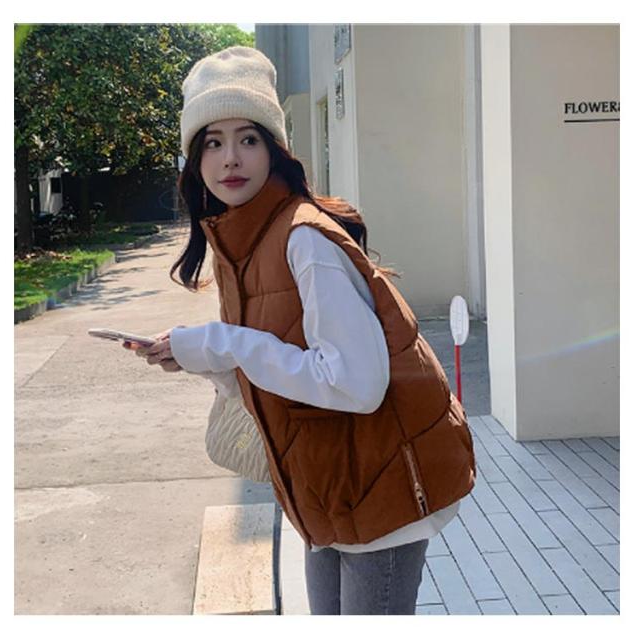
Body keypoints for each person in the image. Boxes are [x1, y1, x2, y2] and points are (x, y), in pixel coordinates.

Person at [127, 46, 476, 615]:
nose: (230, 158)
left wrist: (221, 343)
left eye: (248, 138)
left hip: (379, 490)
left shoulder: (303, 239)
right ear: (194, 161)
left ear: (274, 149)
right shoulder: (239, 242)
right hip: (326, 489)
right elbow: (277, 376)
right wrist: (202, 359)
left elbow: (356, 384)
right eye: (212, 142)